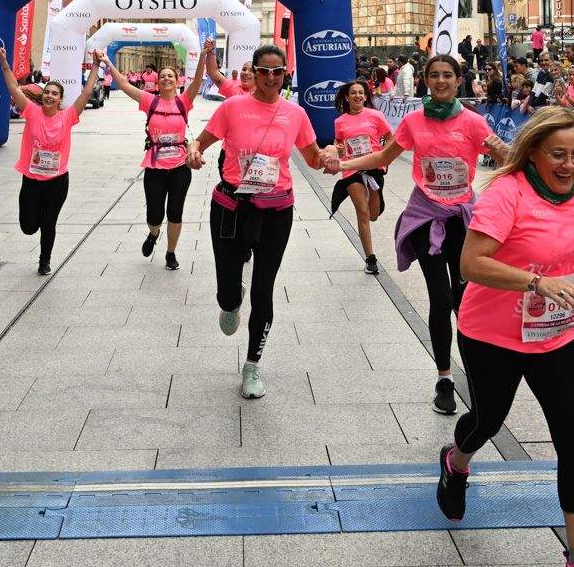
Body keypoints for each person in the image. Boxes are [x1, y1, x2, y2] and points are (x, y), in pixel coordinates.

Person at [434, 109, 574, 561]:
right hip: (494, 336)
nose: (570, 164)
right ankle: (456, 461)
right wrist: (535, 281)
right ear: (533, 152)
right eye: (558, 154)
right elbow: (472, 264)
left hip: (557, 335)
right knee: (488, 421)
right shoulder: (506, 194)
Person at [332, 53, 509, 415]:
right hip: (427, 218)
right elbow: (383, 155)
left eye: (448, 75)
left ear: (459, 80)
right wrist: (344, 163)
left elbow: (506, 155)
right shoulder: (413, 121)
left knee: (465, 300)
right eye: (435, 76)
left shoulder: (474, 122)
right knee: (440, 299)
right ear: (425, 81)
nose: (441, 81)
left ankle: (475, 375)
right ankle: (444, 377)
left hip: (462, 220)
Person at [187, 43, 333, 400]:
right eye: (264, 71)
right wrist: (192, 152)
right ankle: (230, 302)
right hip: (232, 208)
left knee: (264, 288)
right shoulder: (233, 107)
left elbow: (313, 158)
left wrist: (329, 156)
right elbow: (201, 142)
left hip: (276, 210)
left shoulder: (295, 114)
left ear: (286, 75)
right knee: (228, 288)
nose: (270, 78)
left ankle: (252, 365)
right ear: (253, 72)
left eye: (277, 72)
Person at [0, 47, 103, 275]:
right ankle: (34, 226)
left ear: (60, 99)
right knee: (28, 227)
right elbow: (12, 88)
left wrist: (95, 66)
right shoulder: (31, 111)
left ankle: (44, 261)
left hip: (57, 181)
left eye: (55, 93)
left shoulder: (68, 117)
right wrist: (4, 63)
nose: (49, 95)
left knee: (49, 223)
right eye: (47, 92)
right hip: (32, 180)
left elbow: (86, 94)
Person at [104, 49, 209, 271]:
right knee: (154, 213)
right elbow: (123, 84)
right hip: (155, 166)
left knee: (175, 211)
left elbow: (198, 80)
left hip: (180, 166)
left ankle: (171, 253)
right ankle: (153, 233)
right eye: (163, 76)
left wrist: (203, 56)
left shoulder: (183, 101)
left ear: (177, 80)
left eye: (170, 76)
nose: (166, 79)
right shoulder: (149, 101)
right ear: (158, 82)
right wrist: (106, 61)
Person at [329, 80, 393, 274]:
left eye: (361, 93)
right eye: (353, 93)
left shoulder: (376, 115)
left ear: (365, 96)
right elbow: (338, 143)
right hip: (351, 169)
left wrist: (384, 156)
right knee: (363, 212)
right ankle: (370, 258)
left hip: (374, 167)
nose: (357, 96)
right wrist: (337, 149)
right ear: (347, 97)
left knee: (373, 215)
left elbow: (391, 137)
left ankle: (376, 197)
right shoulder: (340, 121)